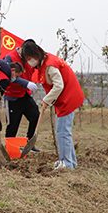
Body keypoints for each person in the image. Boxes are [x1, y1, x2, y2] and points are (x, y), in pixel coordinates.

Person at [20, 41, 84, 170]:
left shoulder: (50, 65)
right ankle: (69, 161)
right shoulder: (45, 62)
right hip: (63, 98)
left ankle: (67, 164)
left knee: (63, 132)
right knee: (64, 132)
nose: (29, 61)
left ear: (35, 54)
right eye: (27, 60)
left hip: (68, 98)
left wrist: (46, 100)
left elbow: (59, 85)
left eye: (30, 58)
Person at [3, 39, 40, 152]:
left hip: (25, 95)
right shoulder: (9, 58)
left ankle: (29, 144)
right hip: (12, 96)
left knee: (35, 116)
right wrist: (26, 83)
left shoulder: (30, 59)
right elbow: (10, 76)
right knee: (12, 125)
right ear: (23, 49)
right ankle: (10, 149)